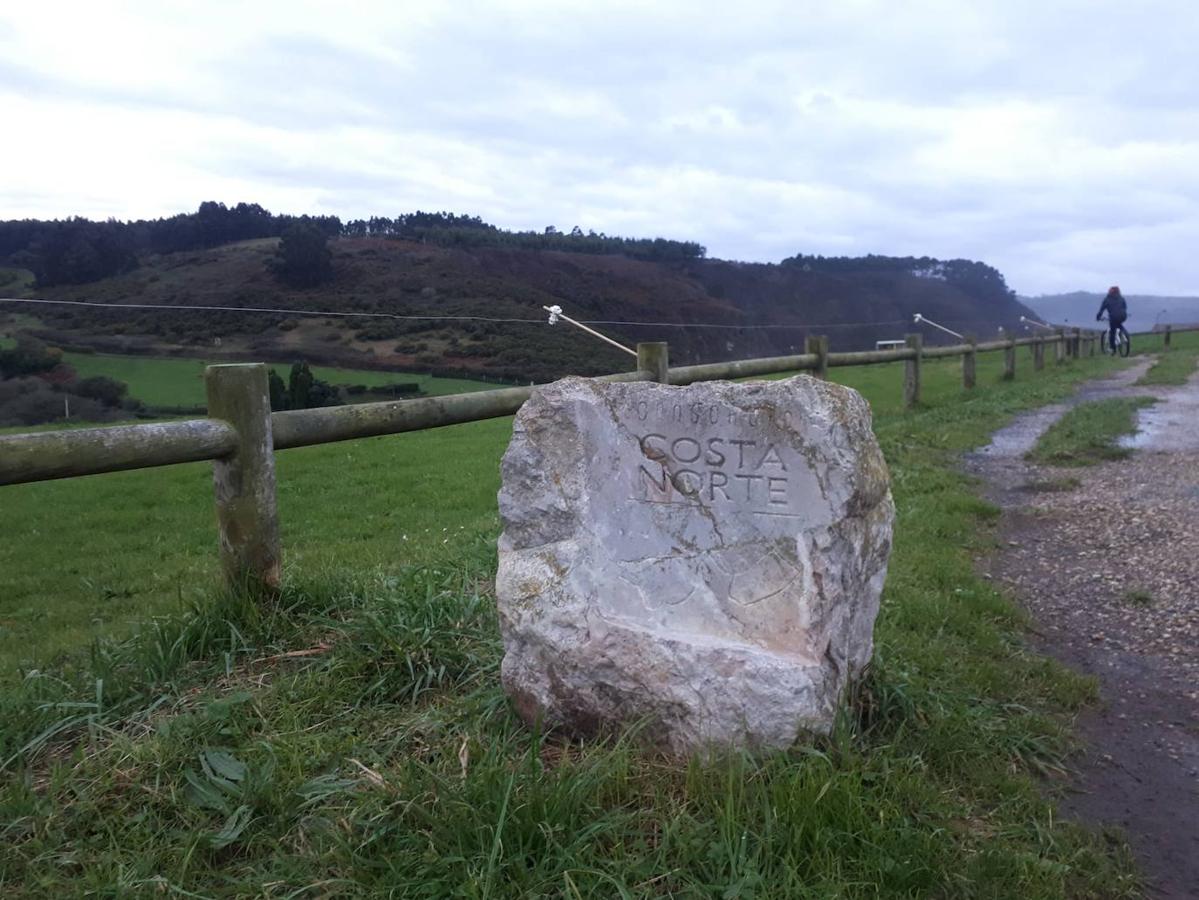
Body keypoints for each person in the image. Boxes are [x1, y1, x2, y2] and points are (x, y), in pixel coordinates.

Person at [1096, 285, 1128, 351]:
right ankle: (1125, 334)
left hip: (1113, 317)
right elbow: (1125, 307)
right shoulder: (1121, 298)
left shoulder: (1107, 299)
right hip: (1123, 316)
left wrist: (1098, 317)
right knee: (1119, 325)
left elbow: (1101, 310)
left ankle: (1112, 348)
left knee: (1112, 331)